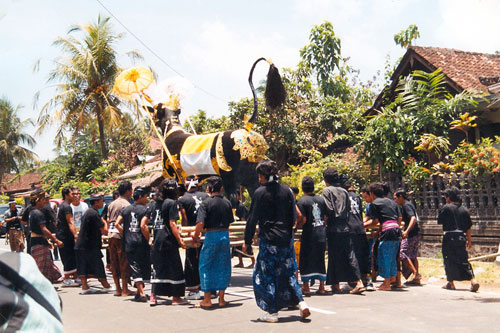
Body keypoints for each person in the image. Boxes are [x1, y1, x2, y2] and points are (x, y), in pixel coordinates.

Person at [244, 160, 310, 323]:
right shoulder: (287, 191)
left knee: (266, 275)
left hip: (269, 239)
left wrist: (247, 241)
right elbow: (294, 216)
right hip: (285, 238)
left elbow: (252, 218)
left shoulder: (260, 193)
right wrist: (288, 232)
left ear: (262, 176)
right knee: (288, 272)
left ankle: (272, 312)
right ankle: (301, 302)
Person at [322, 168, 365, 294]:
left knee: (333, 255)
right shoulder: (344, 192)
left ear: (325, 180)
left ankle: (338, 283)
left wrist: (325, 221)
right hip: (345, 226)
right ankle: (356, 281)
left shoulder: (327, 191)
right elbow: (347, 209)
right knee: (349, 254)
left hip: (333, 226)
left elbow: (328, 209)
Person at [192, 176, 233, 309]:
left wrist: (195, 235)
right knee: (223, 265)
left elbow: (200, 223)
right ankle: (221, 299)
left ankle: (207, 299)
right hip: (224, 235)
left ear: (208, 188)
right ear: (221, 188)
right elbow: (229, 223)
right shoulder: (227, 203)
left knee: (205, 265)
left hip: (211, 235)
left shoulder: (206, 203)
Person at [148, 178, 188, 306]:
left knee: (158, 268)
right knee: (175, 268)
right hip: (169, 240)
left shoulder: (153, 204)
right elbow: (172, 224)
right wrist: (180, 240)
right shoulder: (171, 203)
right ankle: (176, 297)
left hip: (157, 239)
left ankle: (153, 296)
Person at [438, 186, 479, 292]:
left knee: (448, 259)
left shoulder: (446, 208)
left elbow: (440, 221)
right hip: (461, 236)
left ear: (448, 197)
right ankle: (473, 280)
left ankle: (451, 283)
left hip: (449, 236)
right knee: (463, 259)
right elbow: (468, 227)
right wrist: (469, 241)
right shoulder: (464, 210)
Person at [116, 187, 152, 302]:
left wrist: (126, 233)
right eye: (146, 196)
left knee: (134, 266)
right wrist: (149, 239)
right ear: (140, 197)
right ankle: (142, 293)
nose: (147, 199)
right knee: (143, 265)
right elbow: (143, 226)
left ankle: (138, 292)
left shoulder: (126, 210)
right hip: (141, 242)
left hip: (129, 242)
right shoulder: (146, 209)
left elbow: (117, 224)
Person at [366, 183, 402, 291]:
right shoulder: (392, 202)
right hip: (396, 230)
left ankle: (386, 283)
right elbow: (398, 218)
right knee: (392, 257)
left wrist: (362, 225)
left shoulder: (374, 203)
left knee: (384, 255)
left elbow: (375, 221)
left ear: (372, 193)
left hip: (388, 231)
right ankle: (392, 278)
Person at [178, 175, 209, 300]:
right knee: (206, 260)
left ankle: (193, 289)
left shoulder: (183, 199)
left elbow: (184, 217)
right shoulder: (206, 196)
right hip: (206, 232)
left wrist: (185, 231)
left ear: (186, 185)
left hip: (192, 233)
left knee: (191, 260)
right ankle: (208, 288)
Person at [75, 194, 112, 294]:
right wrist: (105, 219)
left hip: (83, 244)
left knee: (83, 265)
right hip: (89, 245)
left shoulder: (89, 212)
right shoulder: (94, 214)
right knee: (98, 265)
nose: (103, 203)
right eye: (101, 201)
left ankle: (85, 287)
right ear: (96, 202)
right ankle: (106, 285)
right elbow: (104, 230)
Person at [296, 176, 327, 296]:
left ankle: (306, 288)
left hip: (309, 234)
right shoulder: (321, 200)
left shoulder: (302, 201)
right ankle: (322, 287)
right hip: (321, 233)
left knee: (306, 259)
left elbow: (303, 219)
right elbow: (325, 218)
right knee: (320, 259)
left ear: (302, 187)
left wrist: (296, 226)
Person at [28, 189, 63, 283]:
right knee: (41, 266)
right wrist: (56, 240)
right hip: (39, 242)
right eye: (43, 199)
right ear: (38, 200)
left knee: (47, 264)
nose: (45, 201)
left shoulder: (33, 212)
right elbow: (44, 229)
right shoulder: (38, 213)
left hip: (38, 241)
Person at [343, 181, 371, 290]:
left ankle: (353, 281)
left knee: (352, 255)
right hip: (360, 227)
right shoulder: (357, 197)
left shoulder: (344, 196)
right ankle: (366, 280)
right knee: (363, 254)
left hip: (350, 228)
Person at [107, 181, 133, 297]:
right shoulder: (126, 205)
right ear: (128, 191)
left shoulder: (112, 204)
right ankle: (125, 289)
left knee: (114, 262)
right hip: (120, 235)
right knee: (123, 262)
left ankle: (118, 289)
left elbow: (108, 220)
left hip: (111, 234)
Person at [394, 189, 421, 285]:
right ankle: (416, 277)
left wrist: (406, 231)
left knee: (403, 253)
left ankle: (415, 274)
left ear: (401, 196)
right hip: (416, 233)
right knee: (413, 254)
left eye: (396, 198)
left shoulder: (406, 205)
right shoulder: (408, 205)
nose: (395, 201)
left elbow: (413, 218)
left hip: (411, 234)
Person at [56, 186, 80, 287]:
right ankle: (66, 279)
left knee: (72, 256)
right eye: (72, 194)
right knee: (68, 256)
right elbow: (70, 222)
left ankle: (76, 277)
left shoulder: (65, 205)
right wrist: (75, 236)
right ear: (66, 195)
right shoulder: (66, 206)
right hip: (65, 235)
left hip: (64, 234)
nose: (74, 196)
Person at [230, 189, 255, 269]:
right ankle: (240, 262)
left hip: (242, 227)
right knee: (237, 247)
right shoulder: (232, 206)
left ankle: (253, 261)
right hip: (235, 228)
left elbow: (244, 218)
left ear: (239, 196)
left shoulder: (241, 206)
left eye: (236, 195)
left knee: (246, 246)